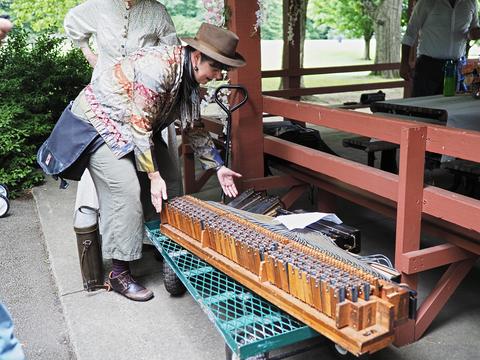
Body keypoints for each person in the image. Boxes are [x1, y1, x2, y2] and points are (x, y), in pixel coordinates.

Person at [65, 23, 246, 301]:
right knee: (125, 190)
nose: (219, 75)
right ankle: (119, 272)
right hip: (99, 125)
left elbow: (193, 126)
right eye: (216, 67)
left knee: (172, 179)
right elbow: (139, 126)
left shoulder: (191, 80)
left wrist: (218, 166)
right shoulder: (158, 68)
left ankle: (168, 245)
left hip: (134, 127)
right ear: (196, 57)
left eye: (224, 70)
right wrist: (152, 175)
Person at [64, 0, 182, 221]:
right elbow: (72, 21)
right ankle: (112, 225)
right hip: (107, 97)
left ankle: (159, 225)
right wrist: (88, 52)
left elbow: (173, 52)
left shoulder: (156, 12)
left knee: (153, 158)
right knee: (111, 165)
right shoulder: (100, 6)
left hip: (146, 96)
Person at [400, 0, 480, 97]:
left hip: (458, 67)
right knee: (424, 107)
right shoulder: (426, 2)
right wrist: (404, 63)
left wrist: (475, 33)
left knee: (453, 107)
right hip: (428, 67)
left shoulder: (471, 2)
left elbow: (472, 32)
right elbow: (410, 32)